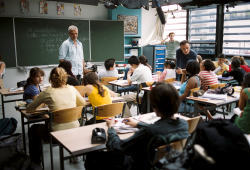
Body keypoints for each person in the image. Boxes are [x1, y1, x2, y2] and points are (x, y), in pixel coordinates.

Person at [85, 83, 189, 170]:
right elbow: (161, 128)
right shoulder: (184, 124)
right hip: (168, 165)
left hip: (138, 165)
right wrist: (138, 124)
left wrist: (111, 128)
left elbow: (118, 147)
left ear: (154, 106)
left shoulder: (149, 133)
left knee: (92, 157)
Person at [27, 67, 86, 167]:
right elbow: (83, 103)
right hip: (75, 129)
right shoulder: (72, 89)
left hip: (56, 135)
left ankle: (36, 163)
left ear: (51, 79)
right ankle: (74, 154)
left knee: (33, 129)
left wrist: (43, 104)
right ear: (65, 78)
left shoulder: (48, 92)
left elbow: (29, 109)